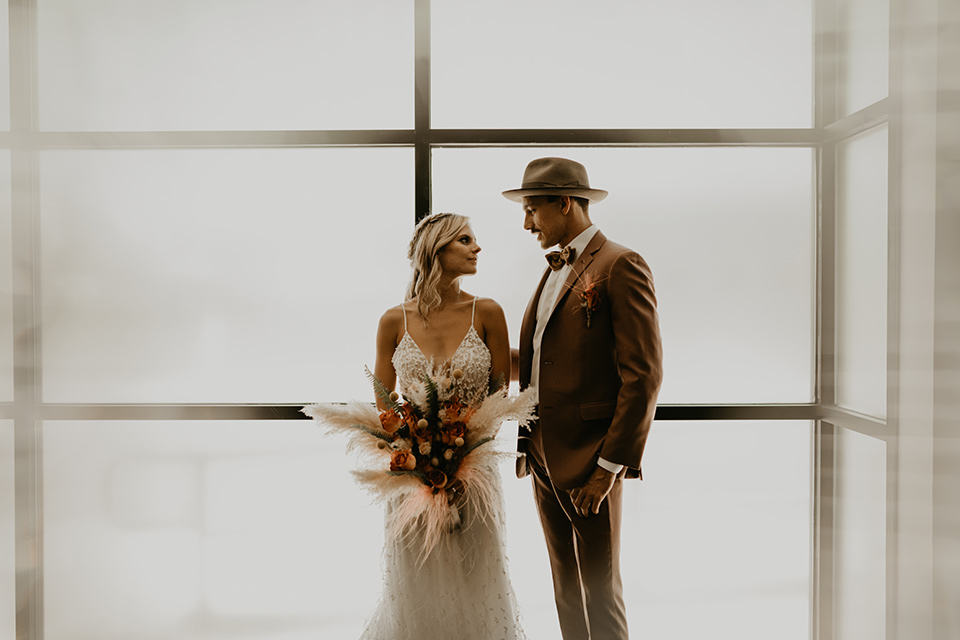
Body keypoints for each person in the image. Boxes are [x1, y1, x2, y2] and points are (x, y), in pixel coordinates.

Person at [503, 157, 663, 640]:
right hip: (541, 457)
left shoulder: (620, 264)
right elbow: (540, 361)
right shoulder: (551, 270)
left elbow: (644, 376)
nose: (526, 222)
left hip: (591, 461)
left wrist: (608, 469)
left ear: (566, 204)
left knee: (600, 591)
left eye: (533, 209)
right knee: (565, 589)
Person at [364, 212, 526, 640]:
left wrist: (464, 461)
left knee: (476, 583)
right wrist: (417, 459)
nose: (477, 248)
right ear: (436, 250)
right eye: (466, 240)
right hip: (411, 478)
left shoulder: (487, 312)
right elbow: (384, 404)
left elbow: (498, 400)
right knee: (418, 583)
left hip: (475, 474)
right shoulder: (392, 321)